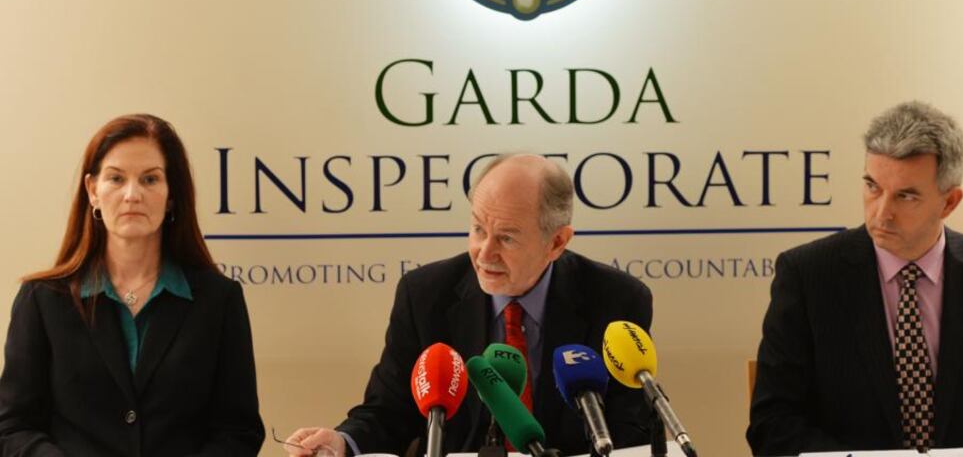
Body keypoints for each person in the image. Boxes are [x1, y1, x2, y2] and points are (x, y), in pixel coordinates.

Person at [284, 153, 653, 455]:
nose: (484, 252)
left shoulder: (617, 300)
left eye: (506, 238)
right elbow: (389, 411)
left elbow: (629, 426)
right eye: (478, 229)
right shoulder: (425, 295)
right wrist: (342, 443)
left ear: (557, 242)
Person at [748, 101, 963, 455]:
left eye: (905, 196)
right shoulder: (808, 274)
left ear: (949, 202)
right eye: (872, 186)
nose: (882, 213)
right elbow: (774, 422)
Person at [0, 114, 265, 456]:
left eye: (150, 179)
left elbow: (238, 430)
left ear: (171, 196)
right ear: (93, 191)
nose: (132, 195)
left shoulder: (219, 299)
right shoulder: (42, 300)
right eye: (115, 178)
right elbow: (12, 427)